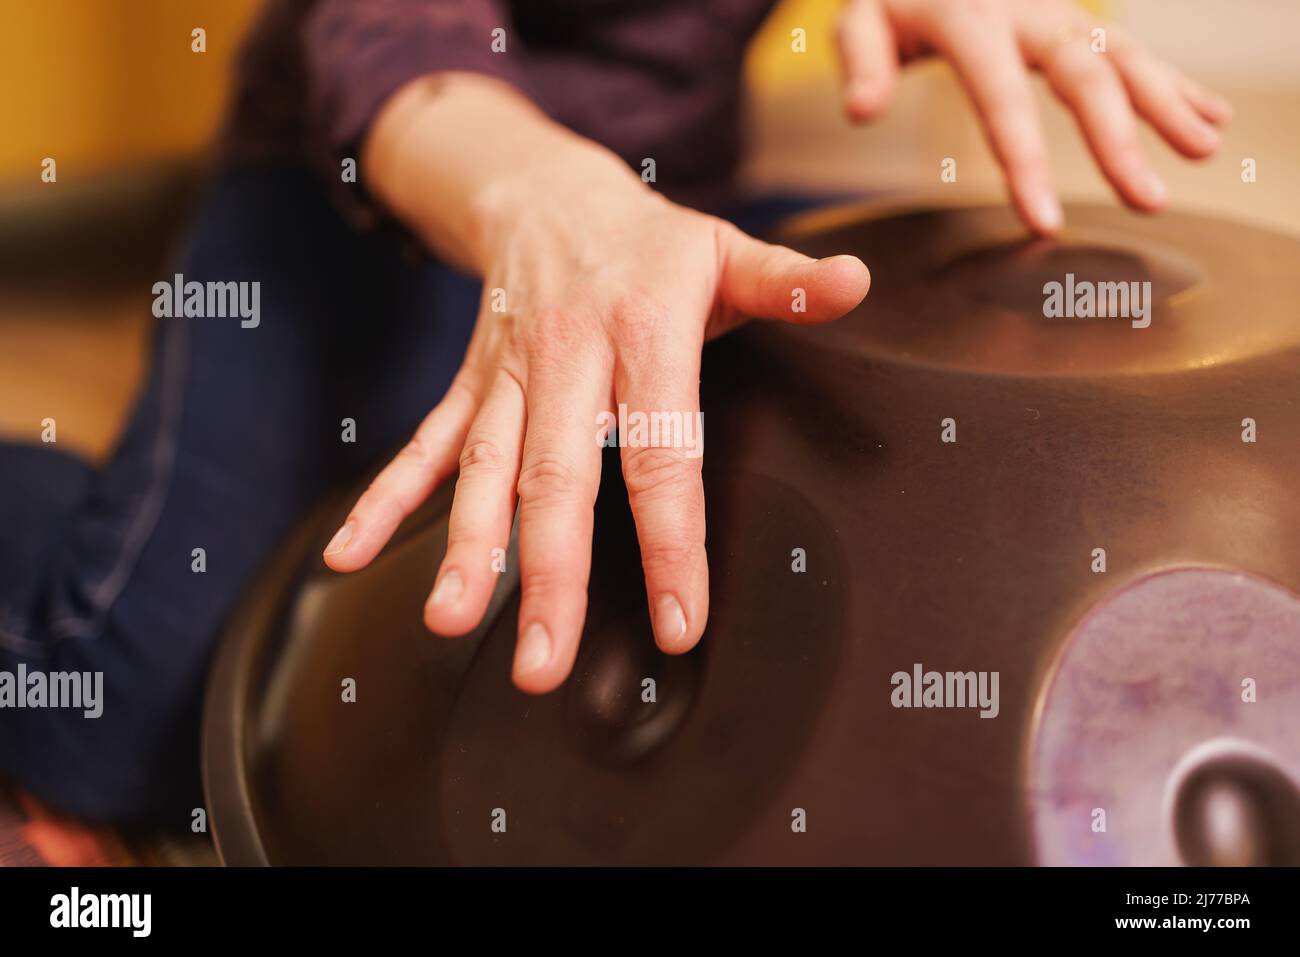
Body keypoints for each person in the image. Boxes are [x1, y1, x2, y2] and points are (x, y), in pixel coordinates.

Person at [0, 0, 1228, 823]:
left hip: (665, 202)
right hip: (364, 189)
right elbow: (381, 41)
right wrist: (542, 201)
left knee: (1015, 331)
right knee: (120, 721)